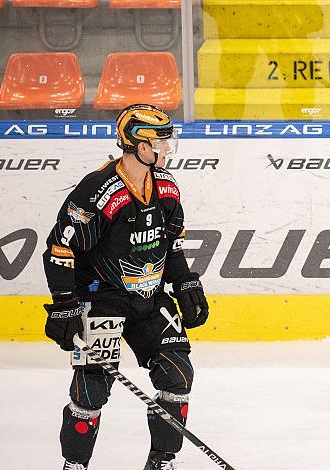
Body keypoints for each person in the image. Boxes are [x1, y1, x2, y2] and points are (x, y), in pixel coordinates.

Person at [42, 104, 210, 470]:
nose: (168, 149)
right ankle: (75, 464)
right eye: (161, 142)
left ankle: (162, 460)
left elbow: (172, 243)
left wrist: (184, 283)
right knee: (91, 390)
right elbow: (59, 249)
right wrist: (64, 305)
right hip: (104, 302)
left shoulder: (166, 186)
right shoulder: (97, 191)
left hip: (150, 301)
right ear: (139, 145)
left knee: (178, 375)